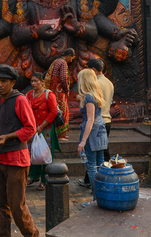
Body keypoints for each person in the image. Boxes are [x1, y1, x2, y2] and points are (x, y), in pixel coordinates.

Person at [0, 65, 39, 237]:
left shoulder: (20, 100)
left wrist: (7, 137)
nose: (0, 85)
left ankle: (32, 235)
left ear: (12, 83)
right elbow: (1, 127)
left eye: (4, 81)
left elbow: (30, 129)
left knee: (17, 206)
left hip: (16, 159)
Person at [80, 58, 114, 189]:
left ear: (93, 70)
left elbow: (90, 117)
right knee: (101, 157)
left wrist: (82, 141)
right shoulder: (109, 82)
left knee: (94, 160)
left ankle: (96, 186)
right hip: (105, 121)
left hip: (95, 123)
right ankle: (99, 184)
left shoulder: (95, 86)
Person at [76, 68, 108, 203]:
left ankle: (96, 199)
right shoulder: (95, 94)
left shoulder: (89, 97)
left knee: (91, 167)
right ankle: (102, 197)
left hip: (91, 134)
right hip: (100, 132)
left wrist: (83, 141)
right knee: (100, 166)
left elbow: (90, 119)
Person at [26, 72, 58, 191]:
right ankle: (34, 176)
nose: (33, 83)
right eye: (32, 81)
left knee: (44, 154)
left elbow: (53, 112)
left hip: (46, 129)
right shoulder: (29, 94)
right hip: (32, 129)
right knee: (32, 152)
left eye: (36, 81)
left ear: (42, 82)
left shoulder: (49, 95)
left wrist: (42, 126)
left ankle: (44, 180)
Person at [45, 48, 73, 141]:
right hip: (59, 90)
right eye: (72, 57)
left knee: (57, 109)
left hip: (54, 89)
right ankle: (60, 135)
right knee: (62, 110)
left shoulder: (57, 61)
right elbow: (63, 78)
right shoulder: (63, 63)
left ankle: (60, 134)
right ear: (68, 55)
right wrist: (67, 89)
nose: (71, 60)